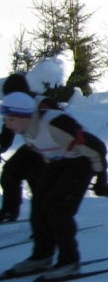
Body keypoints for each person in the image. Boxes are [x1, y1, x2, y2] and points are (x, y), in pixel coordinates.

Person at [1, 91, 108, 279]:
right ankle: (42, 257)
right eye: (5, 119)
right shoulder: (26, 128)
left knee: (55, 208)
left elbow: (96, 146)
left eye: (11, 119)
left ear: (25, 115)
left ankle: (69, 261)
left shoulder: (54, 124)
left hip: (81, 162)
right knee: (39, 205)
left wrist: (102, 179)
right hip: (57, 163)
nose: (7, 124)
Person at [0, 73, 56, 223]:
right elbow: (6, 135)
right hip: (32, 147)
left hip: (51, 150)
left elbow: (64, 130)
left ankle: (43, 222)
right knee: (9, 173)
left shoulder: (43, 104)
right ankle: (9, 211)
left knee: (37, 181)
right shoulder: (14, 107)